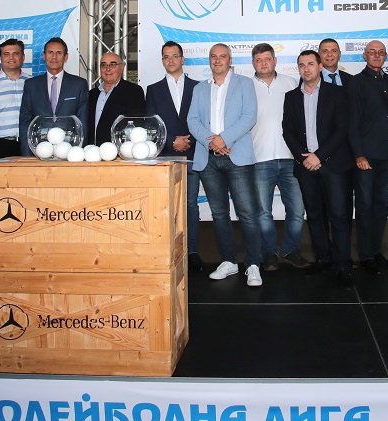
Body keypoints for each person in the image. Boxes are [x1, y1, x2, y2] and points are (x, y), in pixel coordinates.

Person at [186, 43, 263, 287]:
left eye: (222, 56)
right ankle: (229, 261)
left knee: (248, 214)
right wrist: (213, 142)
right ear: (209, 60)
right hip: (209, 158)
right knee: (219, 213)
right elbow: (192, 120)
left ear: (230, 60)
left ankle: (253, 265)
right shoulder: (199, 88)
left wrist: (224, 139)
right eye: (213, 56)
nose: (217, 60)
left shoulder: (244, 84)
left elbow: (249, 116)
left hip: (236, 155)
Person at [283, 50, 353, 284]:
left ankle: (342, 264)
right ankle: (322, 258)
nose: (306, 69)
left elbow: (341, 129)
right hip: (305, 165)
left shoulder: (337, 93)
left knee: (339, 216)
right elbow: (287, 131)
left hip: (333, 164)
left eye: (311, 64)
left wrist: (319, 156)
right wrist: (304, 157)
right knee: (314, 215)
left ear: (320, 66)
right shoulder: (291, 97)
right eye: (302, 65)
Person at [249, 43, 310, 271]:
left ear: (275, 61)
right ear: (253, 63)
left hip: (291, 158)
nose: (263, 63)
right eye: (258, 60)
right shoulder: (246, 86)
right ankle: (270, 253)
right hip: (259, 158)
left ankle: (292, 250)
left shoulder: (291, 83)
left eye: (267, 58)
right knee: (262, 212)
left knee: (297, 210)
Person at [145, 41, 204, 272]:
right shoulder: (153, 89)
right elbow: (151, 124)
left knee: (190, 205)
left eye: (174, 56)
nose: (171, 60)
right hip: (165, 157)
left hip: (192, 153)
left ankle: (192, 252)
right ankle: (168, 251)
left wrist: (188, 141)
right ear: (162, 60)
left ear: (182, 59)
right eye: (166, 57)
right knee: (166, 206)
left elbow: (204, 120)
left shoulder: (198, 87)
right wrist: (171, 141)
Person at [348, 40, 388, 274]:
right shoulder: (357, 82)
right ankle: (365, 255)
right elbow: (352, 121)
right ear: (364, 56)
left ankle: (376, 251)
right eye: (372, 52)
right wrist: (359, 155)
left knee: (381, 206)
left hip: (387, 154)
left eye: (381, 52)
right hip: (366, 157)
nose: (376, 55)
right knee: (365, 206)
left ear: (385, 56)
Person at [18, 38, 89, 155]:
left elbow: (82, 122)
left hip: (68, 150)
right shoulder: (31, 85)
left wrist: (78, 153)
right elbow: (25, 122)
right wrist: (27, 154)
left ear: (66, 57)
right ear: (44, 56)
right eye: (50, 52)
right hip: (39, 150)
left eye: (59, 53)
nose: (54, 57)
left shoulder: (79, 84)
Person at [86, 52, 145, 146]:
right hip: (93, 151)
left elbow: (136, 124)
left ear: (122, 67)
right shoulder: (91, 94)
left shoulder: (133, 91)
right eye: (103, 65)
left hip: (119, 151)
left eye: (113, 64)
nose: (108, 69)